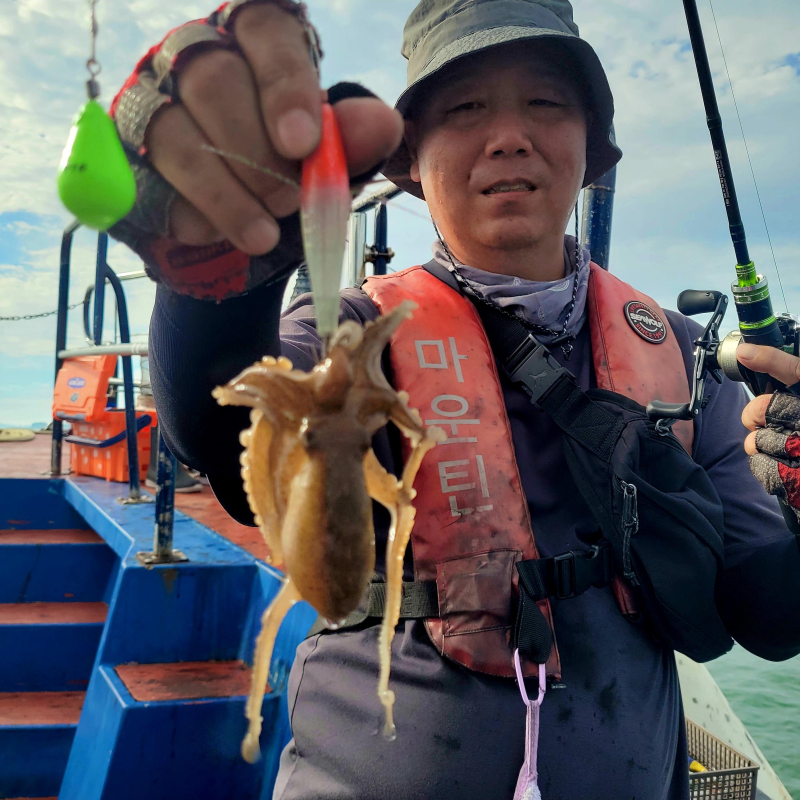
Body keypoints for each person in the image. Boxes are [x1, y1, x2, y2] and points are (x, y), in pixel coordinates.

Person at [108, 1, 800, 798]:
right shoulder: (357, 328)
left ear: (590, 144)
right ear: (411, 156)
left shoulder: (675, 353)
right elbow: (223, 426)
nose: (508, 135)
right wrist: (211, 273)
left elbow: (771, 617)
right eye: (465, 107)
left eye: (546, 101)